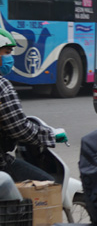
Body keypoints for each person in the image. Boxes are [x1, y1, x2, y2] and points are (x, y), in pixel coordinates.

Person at [0, 28, 66, 182]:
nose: (10, 57)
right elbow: (19, 129)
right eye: (7, 52)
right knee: (48, 184)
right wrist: (52, 135)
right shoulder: (2, 86)